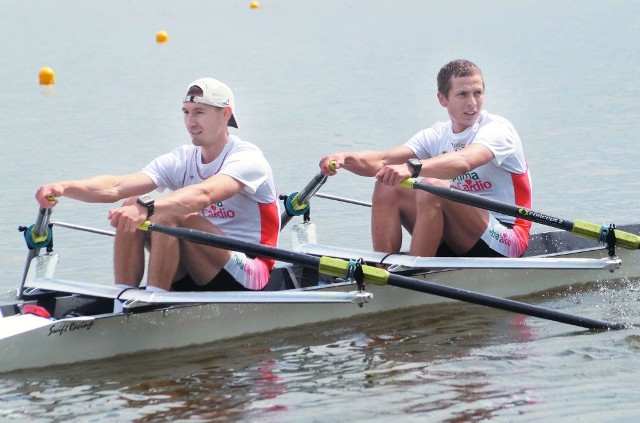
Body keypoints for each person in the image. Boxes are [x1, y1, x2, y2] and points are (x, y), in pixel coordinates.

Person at [35, 78, 280, 292]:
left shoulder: (247, 158)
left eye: (199, 112)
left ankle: (154, 302)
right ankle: (123, 298)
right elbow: (117, 186)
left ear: (225, 114)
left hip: (249, 272)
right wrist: (65, 188)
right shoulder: (182, 158)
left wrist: (149, 207)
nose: (190, 122)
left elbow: (204, 194)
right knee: (131, 203)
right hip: (198, 265)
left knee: (167, 216)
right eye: (186, 112)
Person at [319, 59, 532, 259]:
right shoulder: (437, 135)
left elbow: (464, 161)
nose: (472, 103)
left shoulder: (498, 129)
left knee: (431, 188)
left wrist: (412, 169)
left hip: (508, 237)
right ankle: (382, 268)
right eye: (463, 95)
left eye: (478, 93)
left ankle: (416, 273)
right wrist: (345, 158)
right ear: (442, 99)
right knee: (387, 183)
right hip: (463, 232)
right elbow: (382, 159)